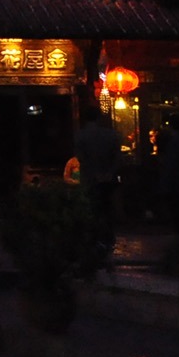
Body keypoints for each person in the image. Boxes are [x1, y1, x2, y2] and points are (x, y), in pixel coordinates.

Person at [73, 106, 123, 250]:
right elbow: (118, 158)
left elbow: (81, 158)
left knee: (91, 209)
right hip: (108, 178)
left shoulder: (80, 136)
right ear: (99, 117)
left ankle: (93, 238)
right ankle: (108, 237)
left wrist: (93, 172)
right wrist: (109, 172)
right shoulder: (112, 135)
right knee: (107, 208)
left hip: (90, 178)